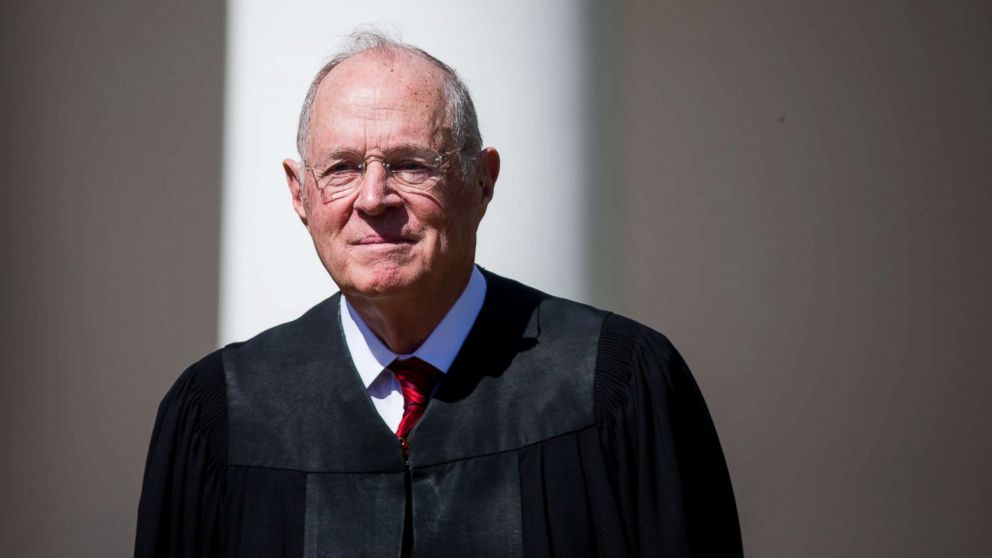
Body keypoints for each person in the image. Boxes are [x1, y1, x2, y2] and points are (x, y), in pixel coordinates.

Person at [134, 31, 743, 557]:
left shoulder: (614, 387)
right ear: (300, 194)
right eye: (342, 167)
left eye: (410, 165)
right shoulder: (222, 415)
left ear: (482, 181)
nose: (373, 199)